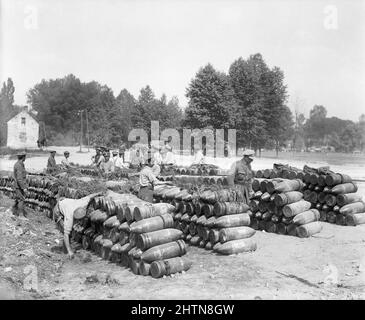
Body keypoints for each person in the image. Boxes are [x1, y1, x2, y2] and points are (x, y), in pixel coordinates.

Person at [53, 192, 103, 259]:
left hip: (66, 202)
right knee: (66, 231)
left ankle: (67, 249)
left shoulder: (83, 203)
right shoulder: (69, 216)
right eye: (78, 220)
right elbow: (66, 235)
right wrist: (69, 251)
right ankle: (67, 251)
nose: (79, 222)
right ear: (74, 217)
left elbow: (90, 196)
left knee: (70, 230)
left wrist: (99, 193)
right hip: (58, 211)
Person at [12, 151, 28, 220]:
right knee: (21, 199)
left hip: (18, 185)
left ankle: (13, 211)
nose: (25, 158)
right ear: (23, 157)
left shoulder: (20, 164)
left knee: (18, 199)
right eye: (25, 157)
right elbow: (19, 178)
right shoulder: (19, 165)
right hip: (18, 186)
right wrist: (23, 187)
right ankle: (21, 215)